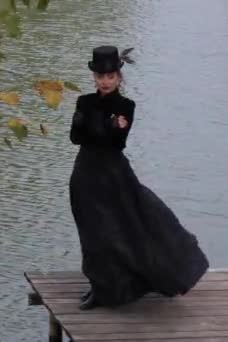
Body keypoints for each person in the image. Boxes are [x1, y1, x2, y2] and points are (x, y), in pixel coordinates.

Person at [69, 46, 209, 310]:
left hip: (112, 174)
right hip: (84, 174)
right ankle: (98, 287)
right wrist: (85, 124)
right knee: (91, 232)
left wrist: (101, 128)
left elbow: (115, 144)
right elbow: (77, 139)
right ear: (94, 78)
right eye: (100, 76)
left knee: (124, 226)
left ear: (119, 78)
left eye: (110, 76)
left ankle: (123, 284)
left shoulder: (126, 106)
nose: (105, 81)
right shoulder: (83, 102)